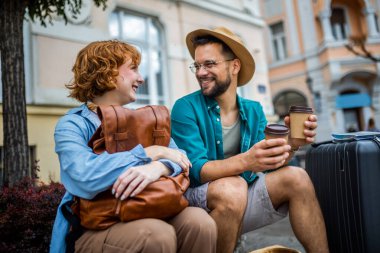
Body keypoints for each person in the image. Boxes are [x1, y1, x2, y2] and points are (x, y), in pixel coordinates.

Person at [171, 27, 329, 253]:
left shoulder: (253, 110)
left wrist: (292, 143)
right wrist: (247, 161)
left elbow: (269, 164)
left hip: (240, 195)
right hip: (198, 200)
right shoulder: (184, 107)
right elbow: (196, 170)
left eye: (209, 64)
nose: (200, 72)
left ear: (234, 66)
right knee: (233, 187)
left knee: (297, 177)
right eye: (197, 65)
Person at [50, 40, 217, 253]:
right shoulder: (73, 124)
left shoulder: (145, 118)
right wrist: (148, 153)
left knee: (200, 223)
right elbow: (84, 175)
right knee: (155, 235)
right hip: (95, 225)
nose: (141, 78)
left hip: (150, 207)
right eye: (133, 69)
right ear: (107, 70)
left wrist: (159, 167)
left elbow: (182, 158)